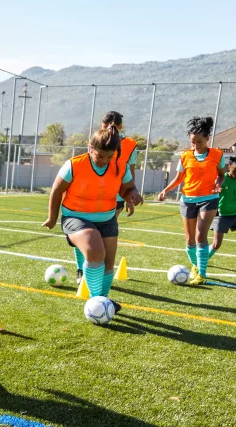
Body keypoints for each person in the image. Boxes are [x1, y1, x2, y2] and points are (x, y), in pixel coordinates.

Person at [43, 127, 143, 309]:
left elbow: (128, 187)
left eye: (109, 157)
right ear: (90, 148)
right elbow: (57, 191)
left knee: (108, 262)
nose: (105, 161)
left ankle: (103, 301)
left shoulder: (121, 166)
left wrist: (133, 194)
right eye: (100, 156)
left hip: (107, 218)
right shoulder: (74, 165)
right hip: (76, 217)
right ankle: (96, 300)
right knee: (95, 249)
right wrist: (52, 218)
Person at [157, 116, 225, 285]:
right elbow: (179, 178)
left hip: (209, 199)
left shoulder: (217, 155)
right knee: (189, 239)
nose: (195, 146)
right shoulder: (185, 156)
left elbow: (222, 175)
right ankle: (195, 266)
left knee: (201, 236)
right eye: (193, 142)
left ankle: (201, 274)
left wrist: (218, 184)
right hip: (187, 200)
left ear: (207, 139)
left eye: (199, 142)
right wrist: (165, 190)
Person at [72, 111, 138, 284]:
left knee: (103, 235)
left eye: (113, 127)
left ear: (120, 127)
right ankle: (82, 270)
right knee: (85, 235)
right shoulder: (97, 140)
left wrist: (131, 194)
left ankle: (98, 277)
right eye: (105, 126)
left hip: (115, 196)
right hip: (90, 195)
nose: (109, 129)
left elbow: (130, 171)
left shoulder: (130, 144)